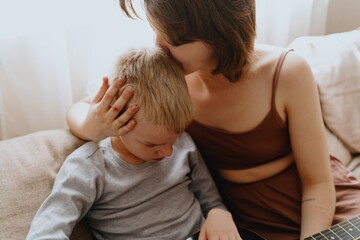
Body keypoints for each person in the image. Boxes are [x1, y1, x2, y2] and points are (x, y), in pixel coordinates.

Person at [66, 1, 360, 239]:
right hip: (245, 221)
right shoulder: (167, 80)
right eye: (157, 31)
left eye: (172, 38)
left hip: (321, 207)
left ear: (217, 34)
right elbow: (81, 109)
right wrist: (92, 126)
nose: (158, 45)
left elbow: (318, 183)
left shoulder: (287, 72)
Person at [26, 47, 241, 240]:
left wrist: (218, 212)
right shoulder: (91, 167)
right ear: (118, 121)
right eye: (151, 144)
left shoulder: (184, 143)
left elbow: (210, 200)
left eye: (173, 140)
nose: (167, 152)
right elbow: (49, 227)